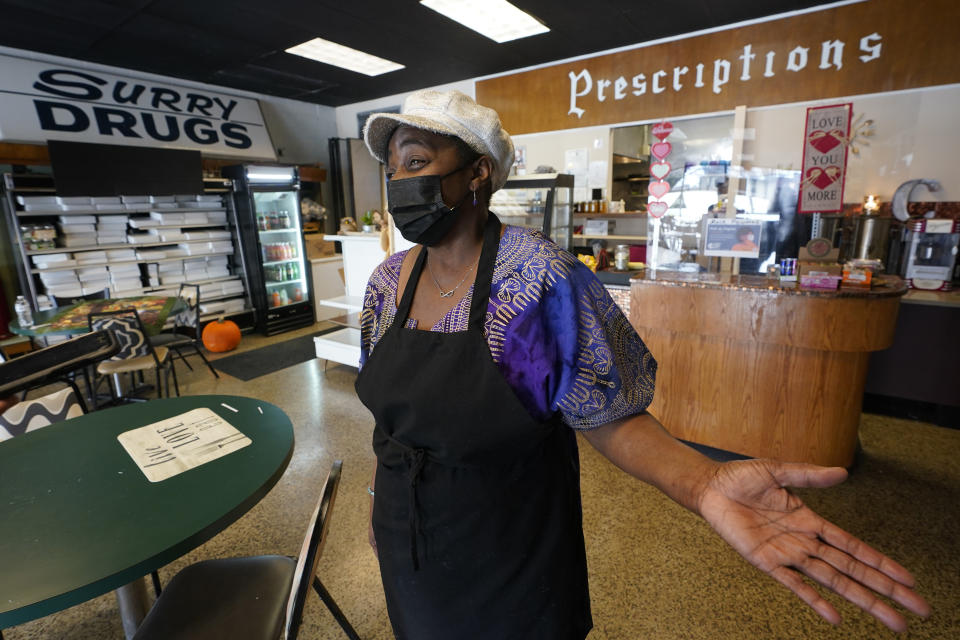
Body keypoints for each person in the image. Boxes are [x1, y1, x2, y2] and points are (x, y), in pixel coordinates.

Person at [355, 90, 929, 640]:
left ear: (477, 171)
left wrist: (704, 482)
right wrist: (384, 500)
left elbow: (610, 413)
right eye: (394, 169)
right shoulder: (388, 283)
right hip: (409, 540)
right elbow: (391, 420)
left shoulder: (537, 281)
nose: (401, 183)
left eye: (417, 162)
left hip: (506, 552)